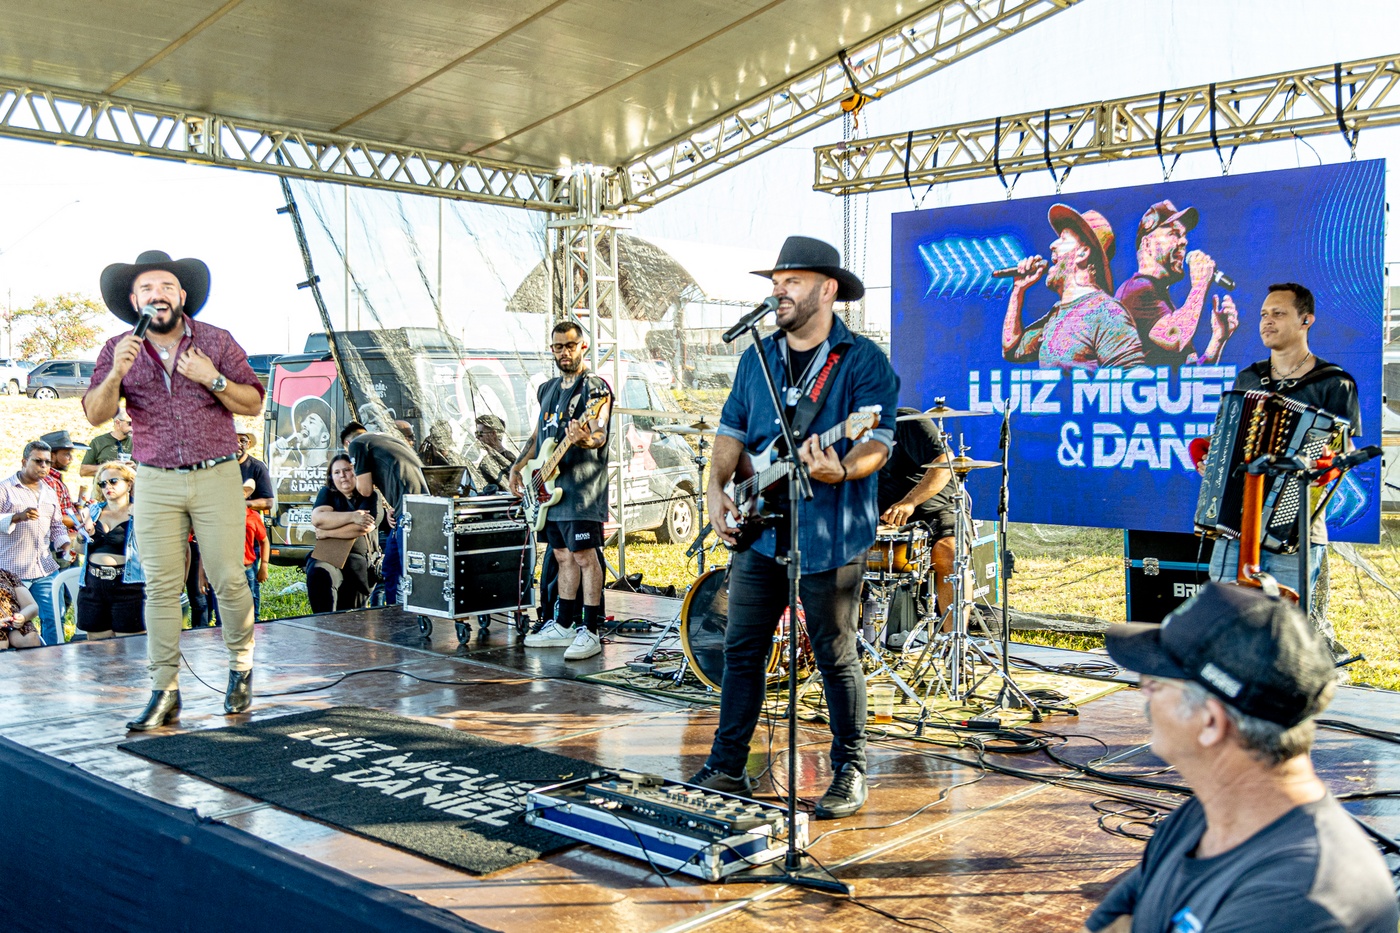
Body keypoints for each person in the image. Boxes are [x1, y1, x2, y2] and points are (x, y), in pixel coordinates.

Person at [692, 235, 898, 820]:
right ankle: (728, 763)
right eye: (776, 282)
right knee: (741, 650)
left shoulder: (862, 361)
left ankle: (850, 768)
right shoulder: (756, 357)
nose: (779, 292)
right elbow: (732, 430)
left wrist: (843, 468)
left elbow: (878, 441)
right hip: (760, 531)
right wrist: (716, 489)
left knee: (835, 653)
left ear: (827, 290)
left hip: (831, 532)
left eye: (792, 282)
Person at [1084, 583, 1396, 933]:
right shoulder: (1200, 818)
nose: (1144, 693)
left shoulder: (1300, 897)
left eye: (1155, 684)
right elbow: (1110, 924)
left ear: (1210, 722)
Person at [84, 249, 266, 731]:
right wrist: (116, 374)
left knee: (228, 578)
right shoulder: (117, 347)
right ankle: (164, 691)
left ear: (182, 295)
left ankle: (240, 668)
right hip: (155, 481)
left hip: (216, 475)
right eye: (147, 288)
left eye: (166, 286)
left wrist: (213, 378)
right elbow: (96, 414)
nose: (157, 294)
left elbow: (253, 401)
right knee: (161, 587)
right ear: (134, 300)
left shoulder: (215, 340)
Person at [1201, 283, 1361, 659]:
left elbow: (1344, 454)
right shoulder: (1249, 378)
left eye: (1278, 313)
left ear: (1306, 320)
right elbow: (1225, 437)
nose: (1267, 321)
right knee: (1225, 616)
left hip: (1297, 527)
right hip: (1236, 522)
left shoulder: (1334, 383)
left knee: (1285, 629)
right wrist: (1212, 458)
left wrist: (1323, 462)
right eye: (1263, 314)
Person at [508, 320, 613, 662]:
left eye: (570, 345)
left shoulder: (594, 388)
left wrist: (584, 439)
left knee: (585, 558)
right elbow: (538, 437)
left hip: (581, 490)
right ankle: (564, 623)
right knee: (562, 556)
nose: (564, 352)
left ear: (583, 347)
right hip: (549, 491)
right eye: (558, 347)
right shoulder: (547, 389)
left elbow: (599, 433)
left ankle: (590, 629)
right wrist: (518, 466)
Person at [1003, 205, 1146, 371]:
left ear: (1083, 253)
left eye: (1063, 239)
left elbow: (1132, 379)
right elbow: (1012, 349)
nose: (1052, 245)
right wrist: (1018, 290)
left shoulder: (1106, 312)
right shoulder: (1056, 316)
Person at [876, 408, 964, 643]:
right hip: (883, 520)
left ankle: (955, 644)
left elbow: (944, 462)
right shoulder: (843, 434)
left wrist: (910, 502)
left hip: (935, 509)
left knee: (949, 553)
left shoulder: (906, 419)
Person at [1115, 200, 1238, 366]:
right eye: (1174, 234)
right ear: (1147, 244)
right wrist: (1200, 285)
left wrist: (1218, 339)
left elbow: (1190, 376)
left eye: (1184, 235)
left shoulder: (1161, 299)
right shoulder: (1136, 290)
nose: (1184, 241)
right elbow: (1175, 338)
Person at [340, 420, 427, 605]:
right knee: (390, 567)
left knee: (406, 571)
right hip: (413, 506)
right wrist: (392, 505)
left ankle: (408, 615)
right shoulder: (387, 439)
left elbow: (365, 490)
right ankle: (392, 612)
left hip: (410, 513)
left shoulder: (356, 445)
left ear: (347, 444)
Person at [0, 440, 74, 645]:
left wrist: (66, 546)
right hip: (12, 572)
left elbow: (57, 526)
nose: (44, 466)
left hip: (45, 569)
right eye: (38, 461)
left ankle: (54, 656)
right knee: (14, 625)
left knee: (55, 618)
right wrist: (17, 517)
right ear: (24, 461)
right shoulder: (5, 489)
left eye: (47, 462)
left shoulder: (49, 491)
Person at [307, 453, 387, 613]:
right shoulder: (327, 493)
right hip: (329, 554)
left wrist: (326, 532)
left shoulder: (370, 495)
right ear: (331, 476)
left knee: (352, 614)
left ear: (356, 472)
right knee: (319, 574)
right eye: (336, 472)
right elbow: (318, 518)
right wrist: (353, 517)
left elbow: (362, 528)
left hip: (358, 562)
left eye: (347, 470)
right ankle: (324, 625)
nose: (342, 476)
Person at [75, 461, 145, 640]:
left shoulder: (141, 511)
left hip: (128, 586)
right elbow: (79, 549)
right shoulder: (93, 511)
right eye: (103, 483)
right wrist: (83, 535)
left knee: (131, 645)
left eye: (113, 481)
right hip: (93, 585)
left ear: (129, 484)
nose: (108, 487)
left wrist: (140, 523)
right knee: (97, 649)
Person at [38, 430, 84, 537]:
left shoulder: (54, 480)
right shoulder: (50, 482)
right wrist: (83, 517)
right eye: (67, 454)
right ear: (51, 456)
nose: (71, 458)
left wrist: (72, 507)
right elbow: (51, 519)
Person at [80, 408, 133, 477]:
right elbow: (83, 471)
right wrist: (108, 466)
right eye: (130, 423)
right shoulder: (98, 442)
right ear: (118, 423)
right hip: (104, 483)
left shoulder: (138, 443)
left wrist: (135, 468)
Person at [236, 427, 275, 513]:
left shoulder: (257, 467)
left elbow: (268, 502)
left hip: (247, 520)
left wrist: (243, 504)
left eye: (242, 441)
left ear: (248, 444)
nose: (238, 445)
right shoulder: (219, 467)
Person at [0, 569, 40, 648]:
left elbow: (31, 605)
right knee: (1, 643)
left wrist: (22, 616)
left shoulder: (7, 575)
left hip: (14, 625)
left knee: (30, 638)